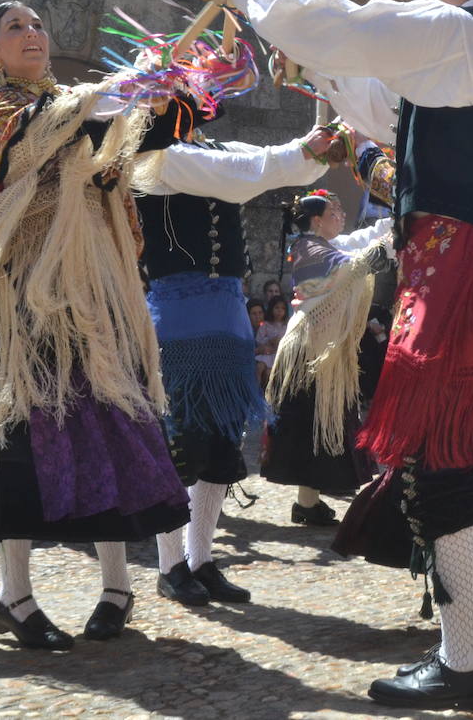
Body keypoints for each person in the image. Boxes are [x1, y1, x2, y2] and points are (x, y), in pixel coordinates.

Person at [205, 0, 473, 710]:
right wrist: (313, 68)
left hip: (462, 271)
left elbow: (350, 25)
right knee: (447, 464)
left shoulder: (462, 30)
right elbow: (388, 108)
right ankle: (467, 650)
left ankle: (466, 661)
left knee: (438, 467)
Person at [0, 2, 191, 651]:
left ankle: (116, 588)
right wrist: (124, 88)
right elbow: (46, 131)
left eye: (36, 25)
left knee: (107, 424)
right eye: (14, 29)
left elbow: (137, 143)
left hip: (96, 289)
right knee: (23, 436)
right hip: (26, 289)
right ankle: (15, 595)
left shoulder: (77, 104)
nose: (31, 34)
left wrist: (165, 91)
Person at [130, 116, 337, 608]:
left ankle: (200, 559)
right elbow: (248, 169)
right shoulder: (159, 156)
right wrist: (305, 150)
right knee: (182, 444)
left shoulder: (212, 148)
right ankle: (170, 564)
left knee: (222, 449)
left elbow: (275, 167)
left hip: (227, 309)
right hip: (180, 312)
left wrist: (319, 148)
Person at [262, 190, 390, 526]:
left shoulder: (322, 244)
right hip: (309, 351)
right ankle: (307, 503)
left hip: (319, 350)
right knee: (312, 425)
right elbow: (343, 268)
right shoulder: (309, 248)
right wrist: (375, 254)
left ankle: (307, 503)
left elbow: (360, 242)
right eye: (334, 210)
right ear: (317, 220)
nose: (341, 214)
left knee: (315, 425)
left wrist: (392, 228)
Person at [254, 296, 289, 388]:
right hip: (266, 354)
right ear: (271, 309)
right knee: (259, 367)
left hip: (278, 355)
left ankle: (266, 392)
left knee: (269, 373)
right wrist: (269, 341)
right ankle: (256, 390)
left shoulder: (287, 326)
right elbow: (258, 340)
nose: (279, 311)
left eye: (282, 308)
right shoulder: (266, 325)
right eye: (277, 308)